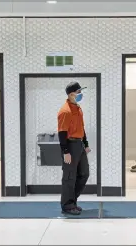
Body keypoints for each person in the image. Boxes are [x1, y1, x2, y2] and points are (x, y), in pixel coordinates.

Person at [57, 81, 91, 215]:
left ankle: (72, 200)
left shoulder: (77, 108)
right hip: (70, 145)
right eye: (78, 92)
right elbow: (61, 132)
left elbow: (81, 128)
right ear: (71, 94)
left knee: (84, 173)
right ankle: (67, 205)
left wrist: (86, 144)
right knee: (69, 177)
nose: (80, 94)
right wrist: (65, 151)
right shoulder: (65, 111)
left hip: (79, 145)